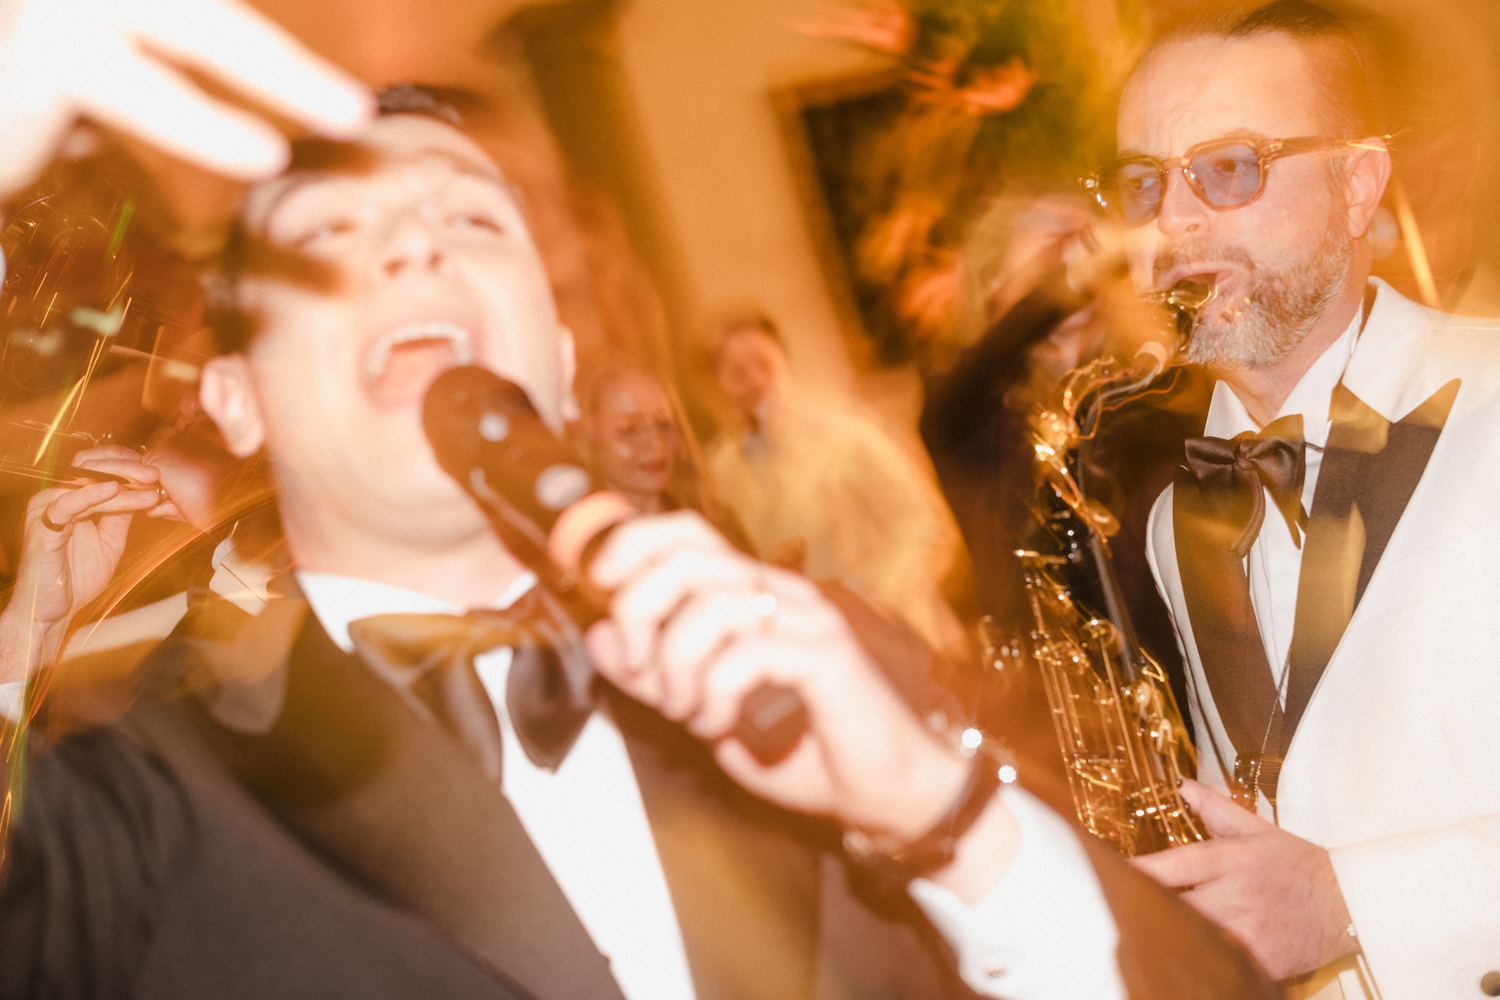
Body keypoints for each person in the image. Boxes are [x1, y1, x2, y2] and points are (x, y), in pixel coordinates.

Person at [0, 79, 1282, 999]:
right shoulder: (127, 805)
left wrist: (943, 819)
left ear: (556, 362)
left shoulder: (833, 654)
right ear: (235, 396)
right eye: (330, 236)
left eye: (470, 222)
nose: (409, 252)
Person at [1087, 3, 1500, 998]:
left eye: (1230, 166)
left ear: (1360, 186)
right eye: (1146, 184)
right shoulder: (1170, 518)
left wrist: (1348, 900)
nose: (1174, 224)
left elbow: (1324, 889)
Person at [707, 310, 968, 654]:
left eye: (764, 364)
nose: (755, 381)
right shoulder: (721, 470)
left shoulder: (843, 432)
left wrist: (878, 600)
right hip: (814, 649)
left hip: (902, 639)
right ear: (716, 385)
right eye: (738, 373)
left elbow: (926, 523)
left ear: (784, 363)